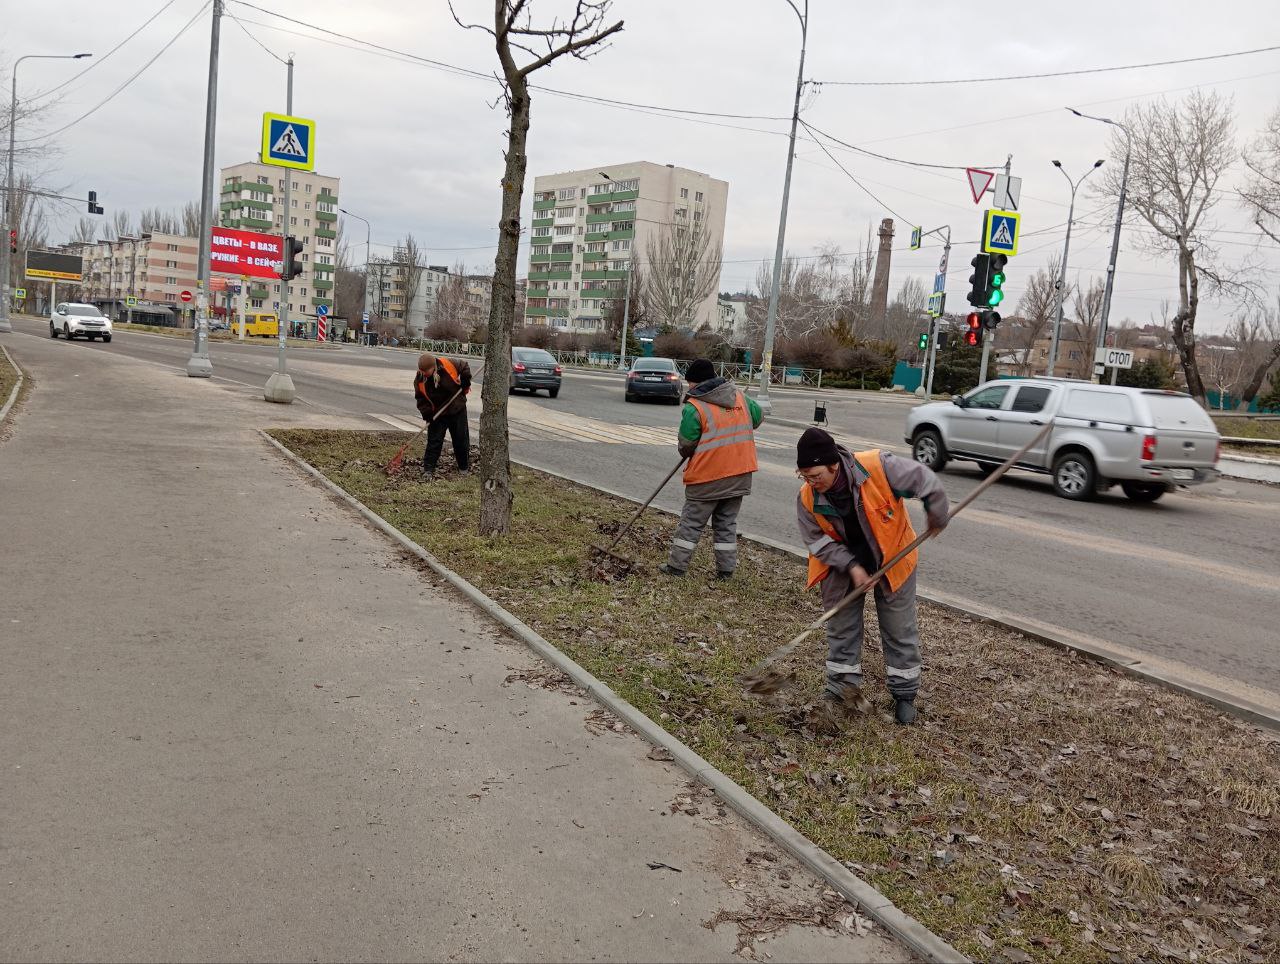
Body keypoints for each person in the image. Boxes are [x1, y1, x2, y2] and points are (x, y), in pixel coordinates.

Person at [794, 427, 949, 725]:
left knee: (898, 627)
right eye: (804, 477)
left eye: (815, 476)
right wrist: (853, 567)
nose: (811, 483)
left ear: (833, 465)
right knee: (841, 627)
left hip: (893, 557)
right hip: (840, 565)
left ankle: (904, 694)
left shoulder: (879, 467)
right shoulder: (807, 498)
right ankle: (841, 689)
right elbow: (817, 541)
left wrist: (937, 512)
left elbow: (925, 480)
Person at [659, 358, 763, 579]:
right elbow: (757, 418)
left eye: (689, 383)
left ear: (695, 382)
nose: (688, 387)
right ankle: (726, 571)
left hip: (707, 477)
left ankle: (676, 567)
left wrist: (691, 448)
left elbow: (686, 445)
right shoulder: (739, 396)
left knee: (691, 523)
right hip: (739, 475)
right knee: (726, 523)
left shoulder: (695, 406)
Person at [413, 352, 472, 478]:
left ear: (433, 366)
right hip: (437, 413)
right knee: (434, 441)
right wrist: (427, 414)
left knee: (460, 439)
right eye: (422, 371)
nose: (424, 373)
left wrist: (465, 382)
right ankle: (428, 469)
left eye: (426, 371)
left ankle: (463, 467)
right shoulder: (420, 379)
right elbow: (420, 399)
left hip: (456, 407)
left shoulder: (448, 364)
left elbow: (464, 366)